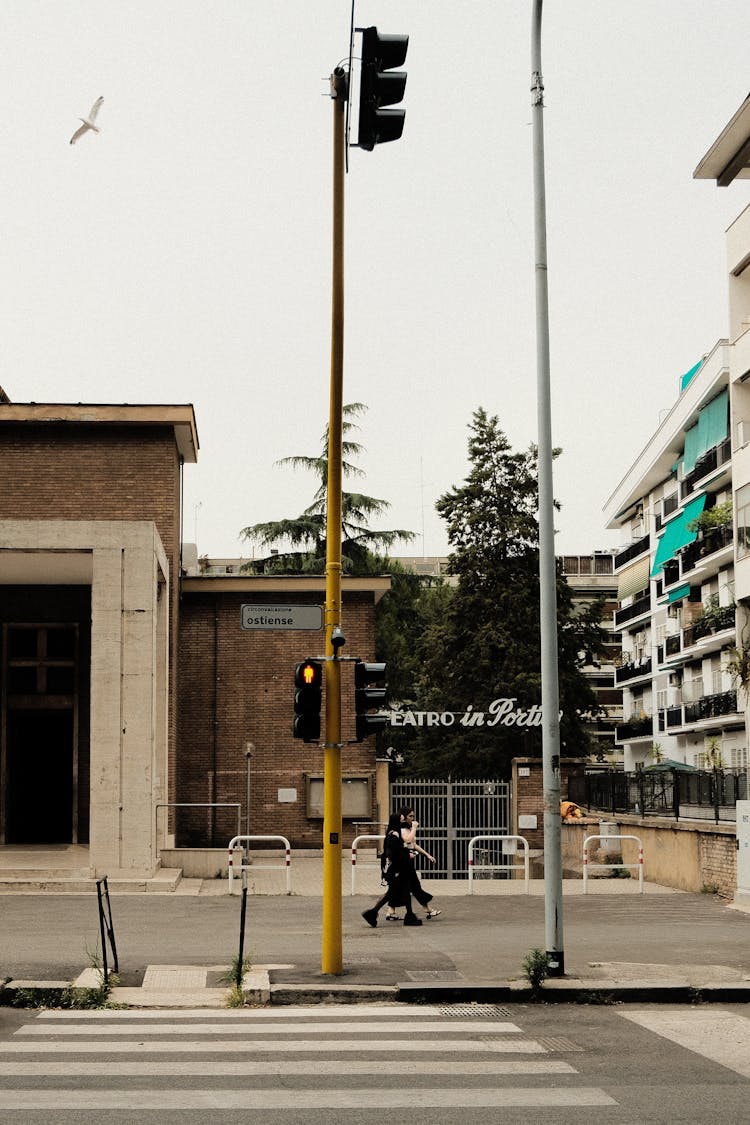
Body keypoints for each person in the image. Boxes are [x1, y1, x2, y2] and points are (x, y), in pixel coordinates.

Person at [362, 814, 422, 927]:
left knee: (404, 891)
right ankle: (372, 913)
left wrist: (406, 855)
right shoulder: (394, 835)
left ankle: (409, 915)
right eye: (401, 820)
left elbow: (399, 850)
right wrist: (406, 856)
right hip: (397, 870)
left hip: (399, 869)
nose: (403, 821)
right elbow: (393, 853)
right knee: (391, 893)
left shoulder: (394, 833)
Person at [387, 805, 441, 920]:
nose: (412, 818)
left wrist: (427, 855)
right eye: (410, 816)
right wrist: (415, 828)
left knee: (398, 887)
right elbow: (407, 840)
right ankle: (427, 909)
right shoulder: (400, 830)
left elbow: (413, 845)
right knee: (415, 886)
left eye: (413, 816)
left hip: (407, 862)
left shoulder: (407, 829)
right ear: (404, 817)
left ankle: (391, 911)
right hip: (403, 862)